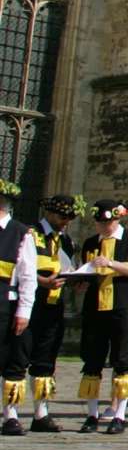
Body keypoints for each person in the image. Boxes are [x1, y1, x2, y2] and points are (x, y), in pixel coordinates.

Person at [77, 199, 128, 434]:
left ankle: (119, 414)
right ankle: (91, 414)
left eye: (108, 222)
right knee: (92, 359)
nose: (104, 227)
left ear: (117, 219)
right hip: (95, 306)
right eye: (100, 223)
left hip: (123, 305)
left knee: (122, 359)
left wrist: (112, 263)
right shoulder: (90, 243)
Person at [24, 194, 79, 432]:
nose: (65, 221)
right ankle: (11, 413)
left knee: (46, 361)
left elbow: (68, 269)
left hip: (54, 306)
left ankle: (41, 413)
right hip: (30, 303)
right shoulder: (31, 234)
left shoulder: (65, 241)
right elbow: (20, 268)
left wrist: (77, 281)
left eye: (69, 217)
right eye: (62, 216)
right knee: (17, 358)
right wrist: (41, 281)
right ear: (49, 212)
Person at [0, 180, 38, 436]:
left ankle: (10, 414)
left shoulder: (20, 233)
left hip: (7, 304)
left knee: (11, 361)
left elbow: (27, 275)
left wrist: (24, 311)